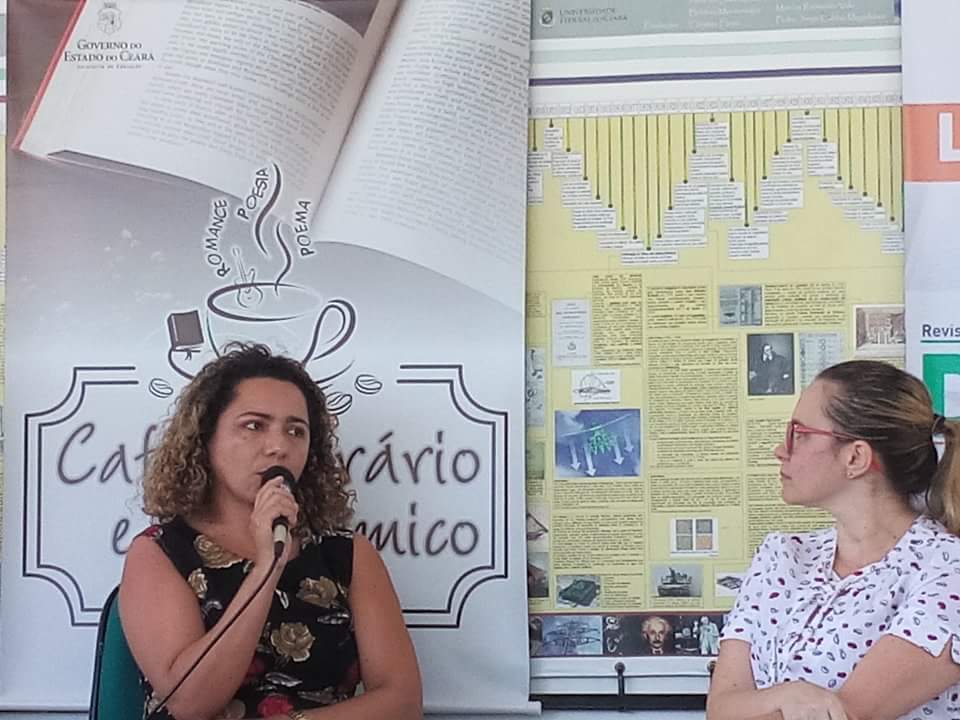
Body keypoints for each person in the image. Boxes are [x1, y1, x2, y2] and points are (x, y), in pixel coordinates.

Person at [119, 344, 422, 720]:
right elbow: (190, 703)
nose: (279, 447)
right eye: (254, 426)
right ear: (206, 438)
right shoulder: (160, 552)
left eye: (296, 431)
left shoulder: (347, 554)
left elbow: (402, 701)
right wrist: (267, 567)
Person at [707, 360, 960, 720]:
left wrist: (767, 704)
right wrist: (788, 695)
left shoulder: (947, 570)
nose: (780, 449)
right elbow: (720, 708)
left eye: (800, 434)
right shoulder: (782, 556)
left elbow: (847, 714)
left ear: (855, 457)